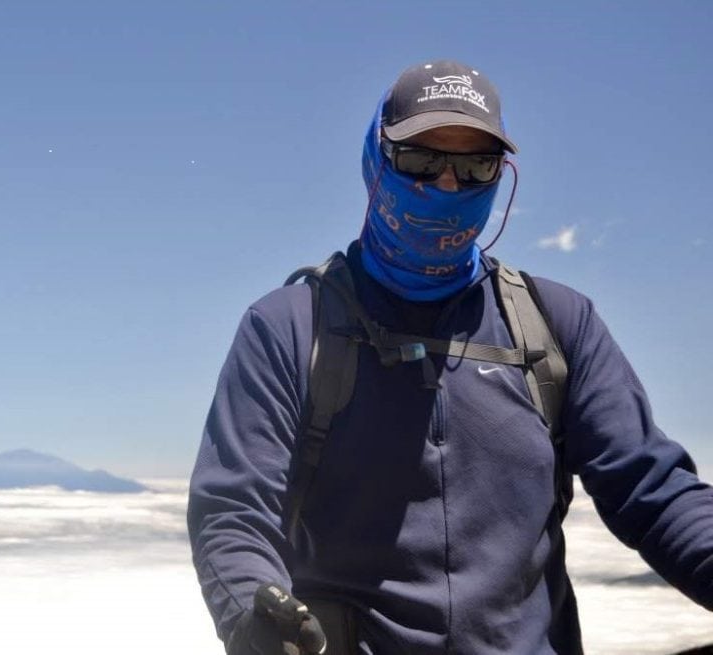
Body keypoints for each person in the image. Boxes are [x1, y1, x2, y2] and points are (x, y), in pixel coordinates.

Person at [187, 60, 713, 655]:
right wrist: (253, 613)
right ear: (376, 159)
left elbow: (652, 489)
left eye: (475, 166)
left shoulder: (556, 325)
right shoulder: (290, 326)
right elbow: (234, 508)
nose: (447, 186)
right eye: (420, 159)